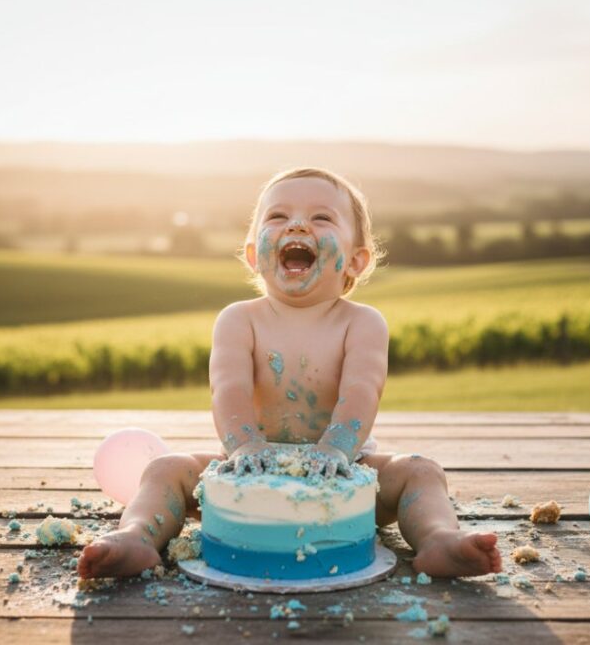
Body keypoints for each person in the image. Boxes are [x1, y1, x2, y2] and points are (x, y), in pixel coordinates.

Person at [78, 167, 502, 579]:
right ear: (252, 255)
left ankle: (439, 539)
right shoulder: (238, 320)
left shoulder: (362, 323)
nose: (297, 224)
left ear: (355, 260)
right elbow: (228, 389)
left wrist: (337, 449)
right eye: (278, 216)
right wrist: (244, 446)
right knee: (164, 469)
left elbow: (362, 390)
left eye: (321, 217)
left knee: (422, 471)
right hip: (248, 472)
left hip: (344, 475)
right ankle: (136, 536)